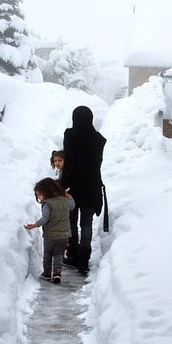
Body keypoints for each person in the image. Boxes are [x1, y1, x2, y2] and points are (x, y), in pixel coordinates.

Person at [59, 105, 106, 274]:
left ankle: (72, 255)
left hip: (74, 186)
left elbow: (69, 162)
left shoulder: (70, 135)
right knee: (87, 224)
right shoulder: (99, 139)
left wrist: (62, 185)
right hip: (92, 186)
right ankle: (84, 260)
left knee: (71, 221)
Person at [24, 177, 75, 284]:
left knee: (47, 254)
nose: (39, 197)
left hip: (50, 236)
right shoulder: (64, 199)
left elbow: (45, 218)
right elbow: (72, 206)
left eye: (39, 194)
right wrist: (70, 198)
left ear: (46, 192)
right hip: (64, 235)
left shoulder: (47, 203)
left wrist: (34, 225)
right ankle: (57, 273)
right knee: (58, 254)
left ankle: (47, 273)